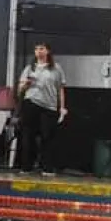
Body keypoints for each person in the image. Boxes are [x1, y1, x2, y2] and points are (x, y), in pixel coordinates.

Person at [17, 42, 67, 175]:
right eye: (36, 49)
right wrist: (26, 85)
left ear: (48, 51)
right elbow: (19, 90)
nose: (38, 51)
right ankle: (26, 167)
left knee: (47, 137)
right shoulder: (29, 68)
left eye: (41, 49)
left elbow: (60, 89)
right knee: (28, 136)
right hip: (31, 103)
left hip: (49, 106)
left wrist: (62, 107)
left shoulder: (56, 68)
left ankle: (47, 168)